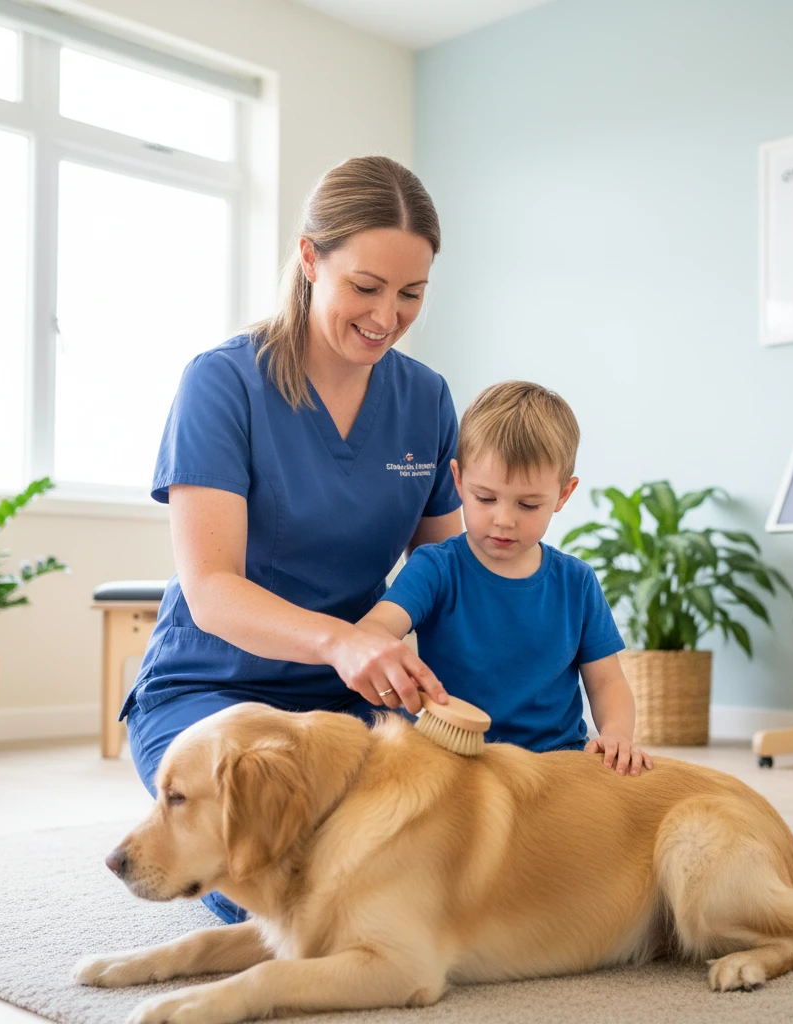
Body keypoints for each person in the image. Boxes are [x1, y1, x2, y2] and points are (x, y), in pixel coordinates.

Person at [120, 156, 463, 923]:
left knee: (428, 849)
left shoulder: (426, 399)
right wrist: (342, 641)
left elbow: (446, 574)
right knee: (277, 880)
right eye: (366, 287)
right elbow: (212, 590)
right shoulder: (222, 383)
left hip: (348, 701)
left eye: (411, 294)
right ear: (310, 258)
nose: (388, 316)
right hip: (213, 690)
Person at [358, 381, 654, 777]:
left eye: (528, 504)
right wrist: (381, 649)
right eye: (485, 498)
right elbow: (376, 628)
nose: (503, 519)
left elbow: (606, 683)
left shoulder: (577, 582)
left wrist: (617, 735)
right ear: (458, 480)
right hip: (454, 758)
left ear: (563, 495)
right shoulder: (436, 567)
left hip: (555, 763)